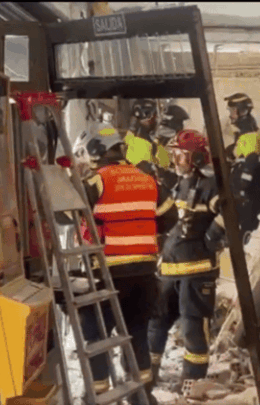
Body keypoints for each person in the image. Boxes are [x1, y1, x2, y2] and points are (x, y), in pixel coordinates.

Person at [78, 127, 172, 405]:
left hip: (107, 274)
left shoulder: (96, 181)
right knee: (137, 333)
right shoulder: (147, 179)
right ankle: (141, 395)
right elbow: (170, 218)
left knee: (97, 337)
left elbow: (66, 216)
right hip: (144, 275)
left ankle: (98, 394)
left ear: (96, 150)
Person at [147, 129, 227, 390]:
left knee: (192, 328)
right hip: (169, 269)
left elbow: (231, 213)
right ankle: (148, 377)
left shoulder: (210, 186)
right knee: (156, 322)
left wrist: (210, 239)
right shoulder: (177, 183)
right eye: (174, 154)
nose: (175, 160)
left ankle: (192, 384)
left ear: (197, 158)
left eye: (181, 155)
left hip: (197, 271)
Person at [224, 93, 260, 158]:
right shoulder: (250, 129)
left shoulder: (249, 136)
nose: (230, 115)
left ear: (238, 111)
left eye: (231, 111)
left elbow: (246, 160)